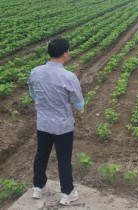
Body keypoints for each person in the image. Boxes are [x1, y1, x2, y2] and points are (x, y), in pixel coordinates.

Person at [28, 38, 84, 205]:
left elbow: (33, 95)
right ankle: (67, 192)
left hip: (43, 123)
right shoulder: (68, 76)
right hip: (62, 126)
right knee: (64, 158)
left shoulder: (35, 72)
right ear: (65, 54)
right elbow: (79, 104)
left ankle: (38, 187)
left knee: (41, 154)